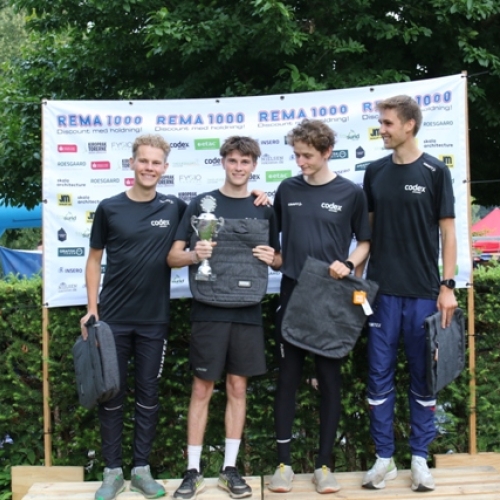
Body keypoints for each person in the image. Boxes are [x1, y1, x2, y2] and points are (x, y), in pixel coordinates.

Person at [167, 136, 280, 500]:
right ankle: (192, 471)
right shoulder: (201, 204)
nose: (238, 167)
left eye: (245, 161)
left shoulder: (264, 208)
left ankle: (230, 469)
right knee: (202, 388)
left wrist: (274, 259)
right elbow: (172, 257)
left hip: (247, 309)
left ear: (254, 165)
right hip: (208, 309)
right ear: (223, 162)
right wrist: (194, 255)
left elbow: (279, 259)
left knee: (237, 388)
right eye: (233, 160)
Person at [80, 134, 187, 500]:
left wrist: (259, 196)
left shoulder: (175, 207)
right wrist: (92, 309)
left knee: (148, 394)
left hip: (154, 320)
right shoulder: (109, 208)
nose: (149, 168)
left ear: (165, 168)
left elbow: (216, 210)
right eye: (144, 161)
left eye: (156, 163)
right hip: (112, 320)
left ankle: (141, 470)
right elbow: (94, 259)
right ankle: (112, 472)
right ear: (132, 163)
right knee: (111, 394)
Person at [360, 95, 457, 492]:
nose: (381, 129)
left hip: (423, 294)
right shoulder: (374, 172)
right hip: (382, 294)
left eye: (387, 123)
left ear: (409, 125)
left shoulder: (435, 171)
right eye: (381, 123)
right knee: (378, 377)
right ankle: (384, 458)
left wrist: (447, 286)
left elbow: (448, 232)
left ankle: (419, 459)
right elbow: (366, 234)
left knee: (424, 378)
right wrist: (358, 285)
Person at [268, 119, 371, 494]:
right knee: (288, 380)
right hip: (292, 292)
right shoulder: (287, 189)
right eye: (296, 155)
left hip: (331, 297)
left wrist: (348, 263)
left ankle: (324, 466)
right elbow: (275, 244)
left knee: (329, 381)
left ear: (327, 152)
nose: (300, 162)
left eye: (307, 155)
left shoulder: (351, 193)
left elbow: (365, 242)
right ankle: (283, 464)